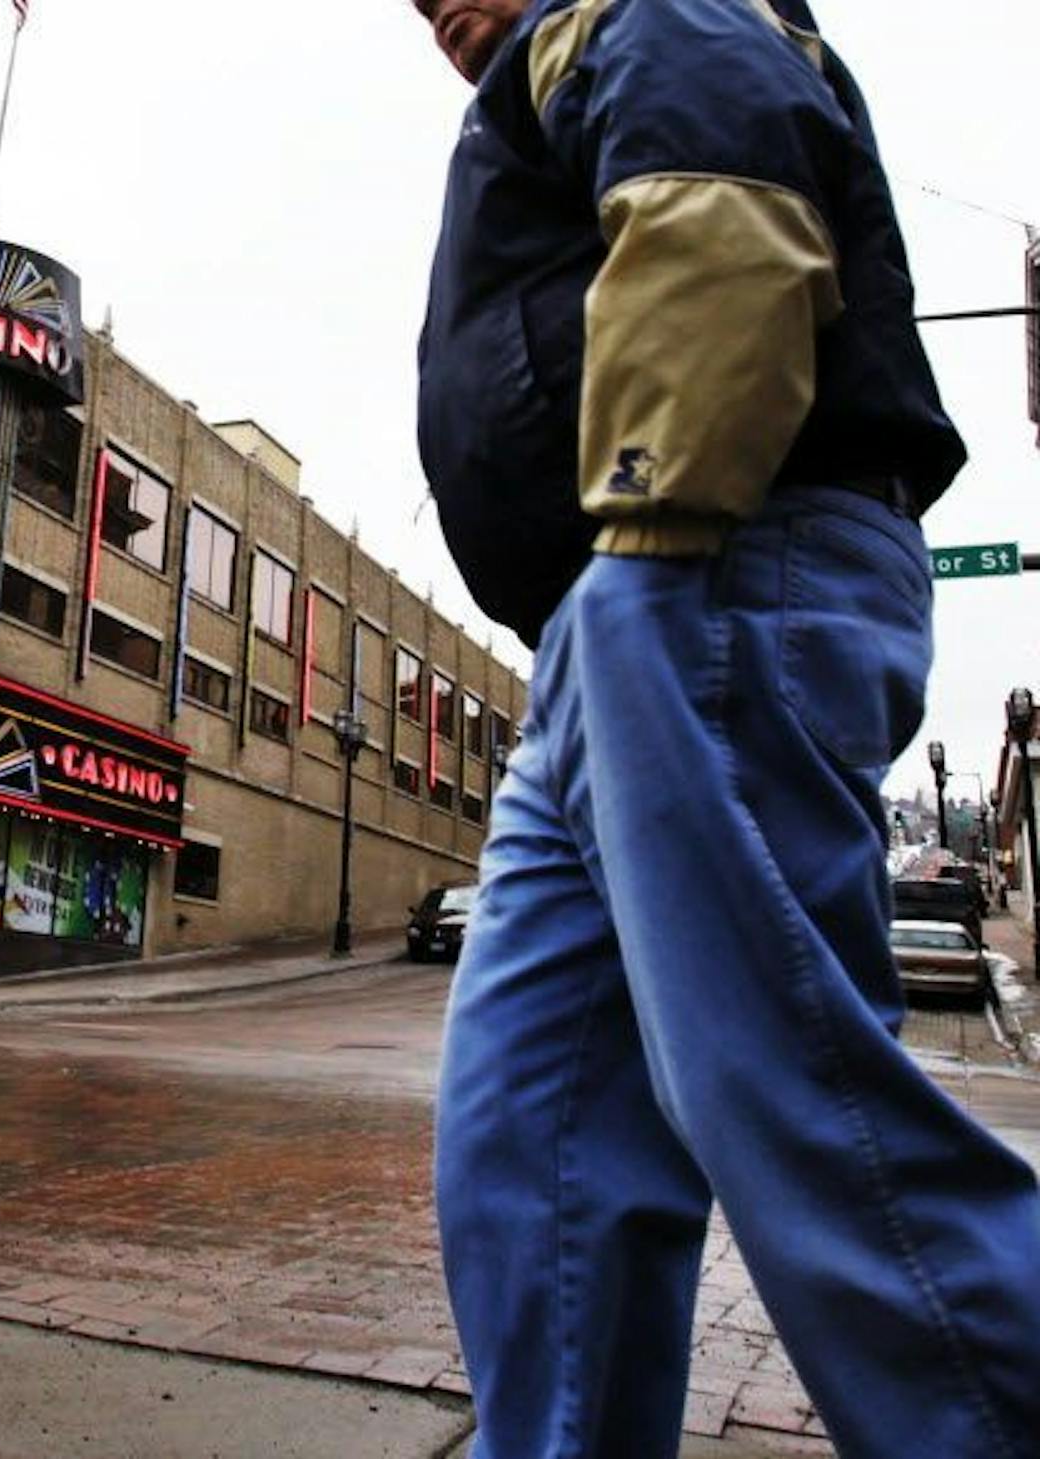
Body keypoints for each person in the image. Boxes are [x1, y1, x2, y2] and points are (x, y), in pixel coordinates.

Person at [408, 2, 1040, 1456]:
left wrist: (650, 535)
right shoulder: (541, 73)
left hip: (704, 554)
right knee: (531, 1152)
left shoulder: (638, 6)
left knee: (797, 1107)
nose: (429, 4)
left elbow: (726, 212)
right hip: (602, 621)